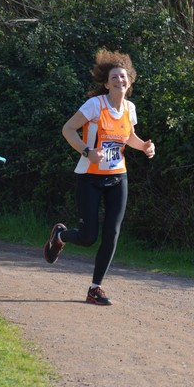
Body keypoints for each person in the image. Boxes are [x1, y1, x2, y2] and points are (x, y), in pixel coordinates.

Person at [43, 49, 155, 305]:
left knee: (112, 233)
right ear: (106, 83)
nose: (120, 81)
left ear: (130, 81)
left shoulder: (130, 108)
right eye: (114, 77)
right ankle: (59, 237)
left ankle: (95, 288)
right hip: (90, 177)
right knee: (87, 236)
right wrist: (86, 150)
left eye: (123, 77)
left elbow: (128, 137)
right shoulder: (95, 105)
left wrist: (145, 146)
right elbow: (68, 129)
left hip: (118, 177)